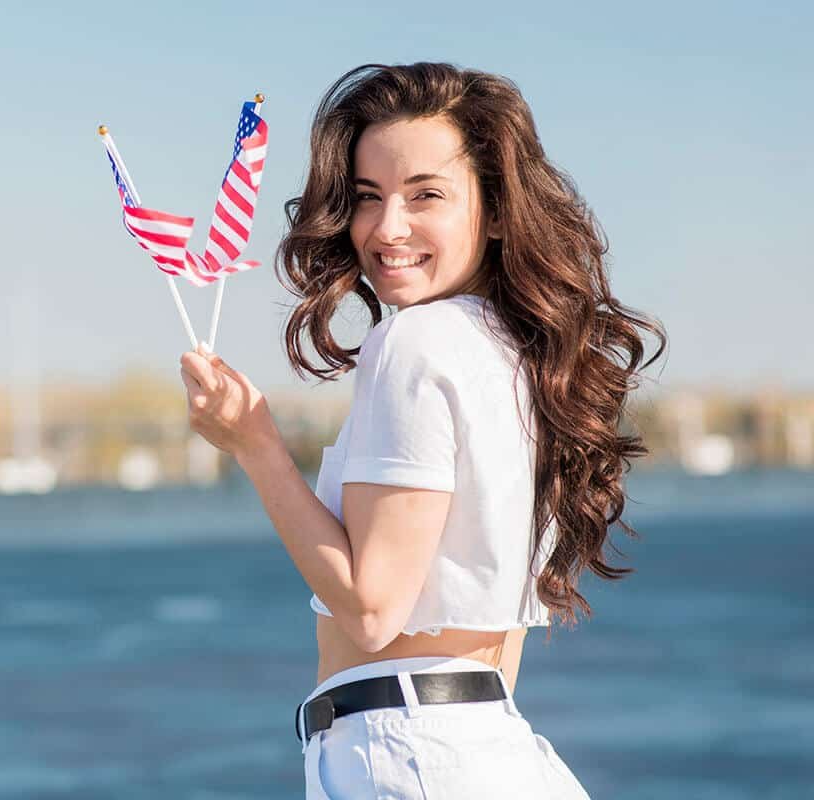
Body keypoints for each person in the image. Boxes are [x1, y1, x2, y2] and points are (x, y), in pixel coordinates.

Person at [179, 62, 666, 799]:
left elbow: (373, 611)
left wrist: (255, 446)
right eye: (368, 198)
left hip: (406, 754)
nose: (387, 227)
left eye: (425, 195)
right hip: (480, 746)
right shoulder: (523, 355)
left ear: (496, 208)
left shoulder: (417, 342)